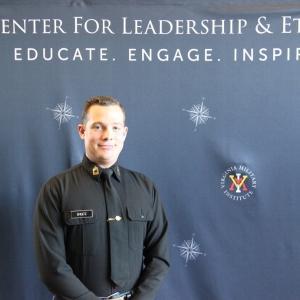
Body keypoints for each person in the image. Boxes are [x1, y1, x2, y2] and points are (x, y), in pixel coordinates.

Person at [34, 96, 169, 300]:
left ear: (124, 133)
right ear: (82, 131)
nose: (108, 135)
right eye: (98, 126)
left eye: (115, 128)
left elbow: (159, 259)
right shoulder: (56, 189)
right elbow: (52, 268)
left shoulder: (145, 188)